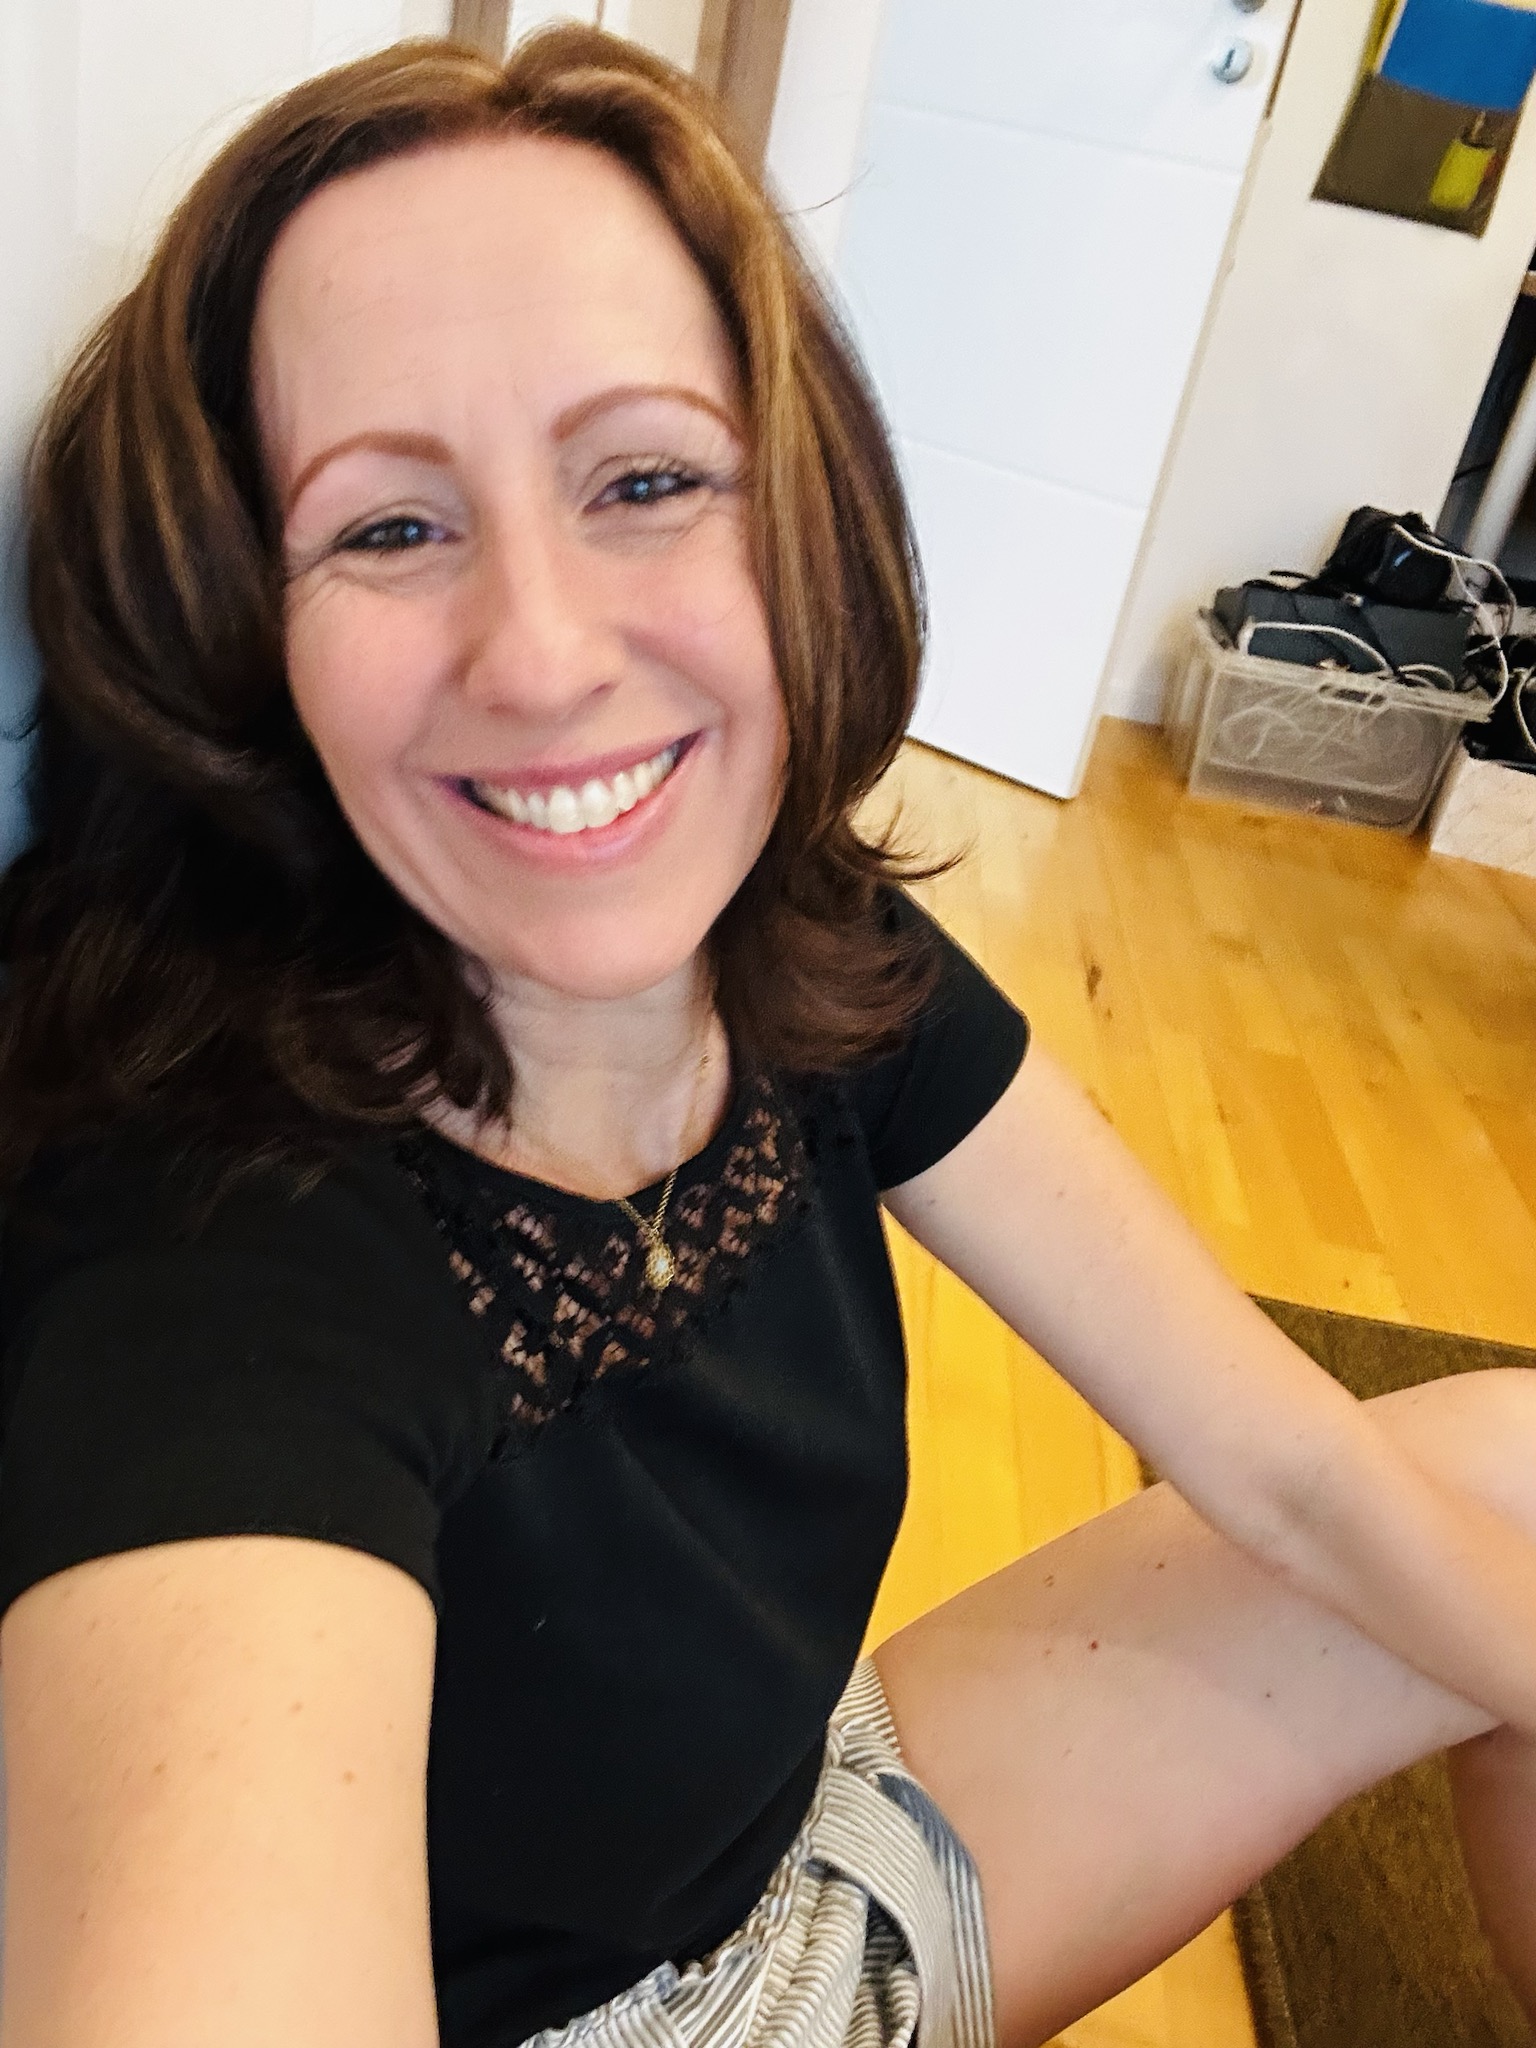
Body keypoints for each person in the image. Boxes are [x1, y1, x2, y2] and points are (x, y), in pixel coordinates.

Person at [0, 27, 1533, 2048]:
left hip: (805, 1847)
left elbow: (1289, 1463)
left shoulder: (790, 941)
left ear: (799, 520)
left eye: (644, 479)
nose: (544, 653)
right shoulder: (214, 1287)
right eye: (387, 527)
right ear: (232, 626)